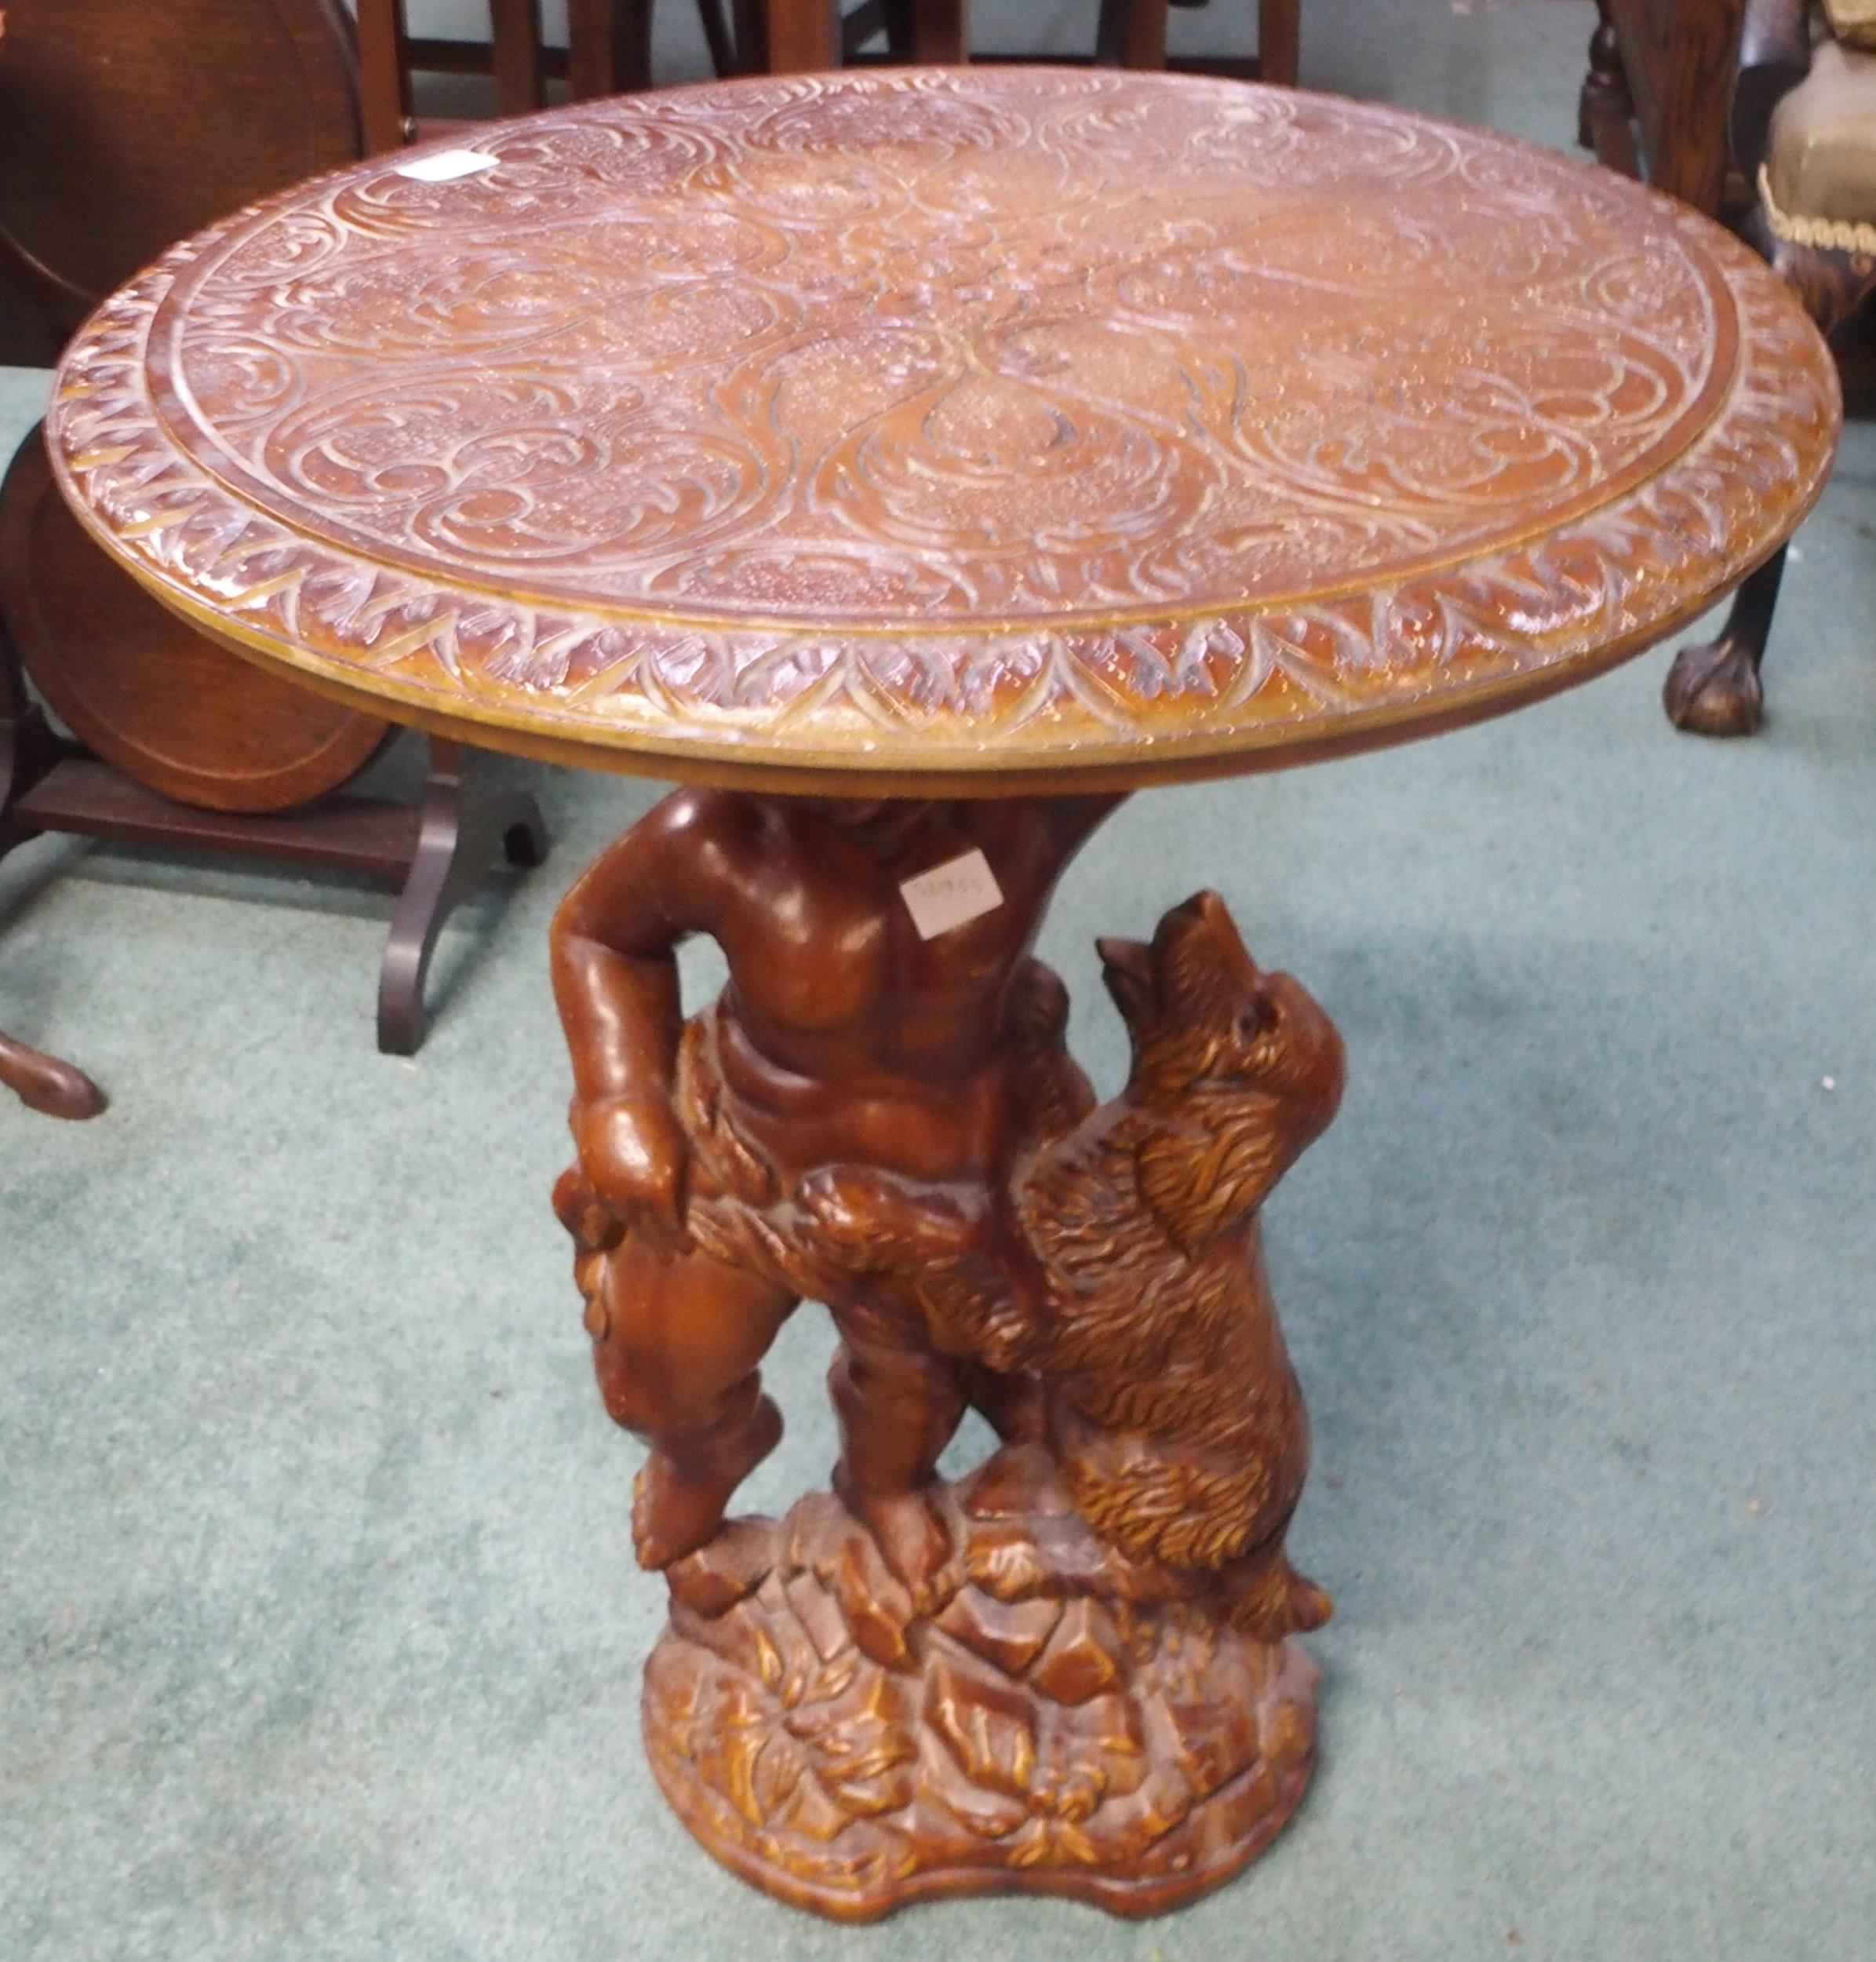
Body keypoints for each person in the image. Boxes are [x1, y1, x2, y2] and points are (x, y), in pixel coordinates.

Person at [550, 786, 1120, 1587]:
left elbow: (1177, 695)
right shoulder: (717, 838)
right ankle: (702, 1458)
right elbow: (598, 933)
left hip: (938, 1185)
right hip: (750, 1155)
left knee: (913, 1388)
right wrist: (620, 1099)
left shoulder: (1023, 811)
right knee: (655, 1371)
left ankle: (885, 1487)